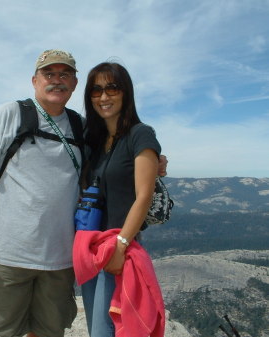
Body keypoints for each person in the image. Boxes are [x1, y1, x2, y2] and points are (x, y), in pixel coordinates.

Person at [0, 50, 168, 337]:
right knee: (0, 332)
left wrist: (155, 160)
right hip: (9, 255)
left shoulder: (80, 127)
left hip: (62, 259)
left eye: (64, 74)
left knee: (50, 332)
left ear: (74, 83)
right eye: (49, 74)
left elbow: (122, 159)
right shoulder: (9, 115)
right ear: (35, 80)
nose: (57, 80)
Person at [75, 62, 165, 337]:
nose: (104, 97)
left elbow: (144, 197)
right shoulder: (94, 139)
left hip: (119, 248)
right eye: (96, 90)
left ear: (125, 92)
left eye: (112, 88)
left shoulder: (140, 134)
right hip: (91, 249)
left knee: (109, 331)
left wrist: (121, 246)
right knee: (97, 329)